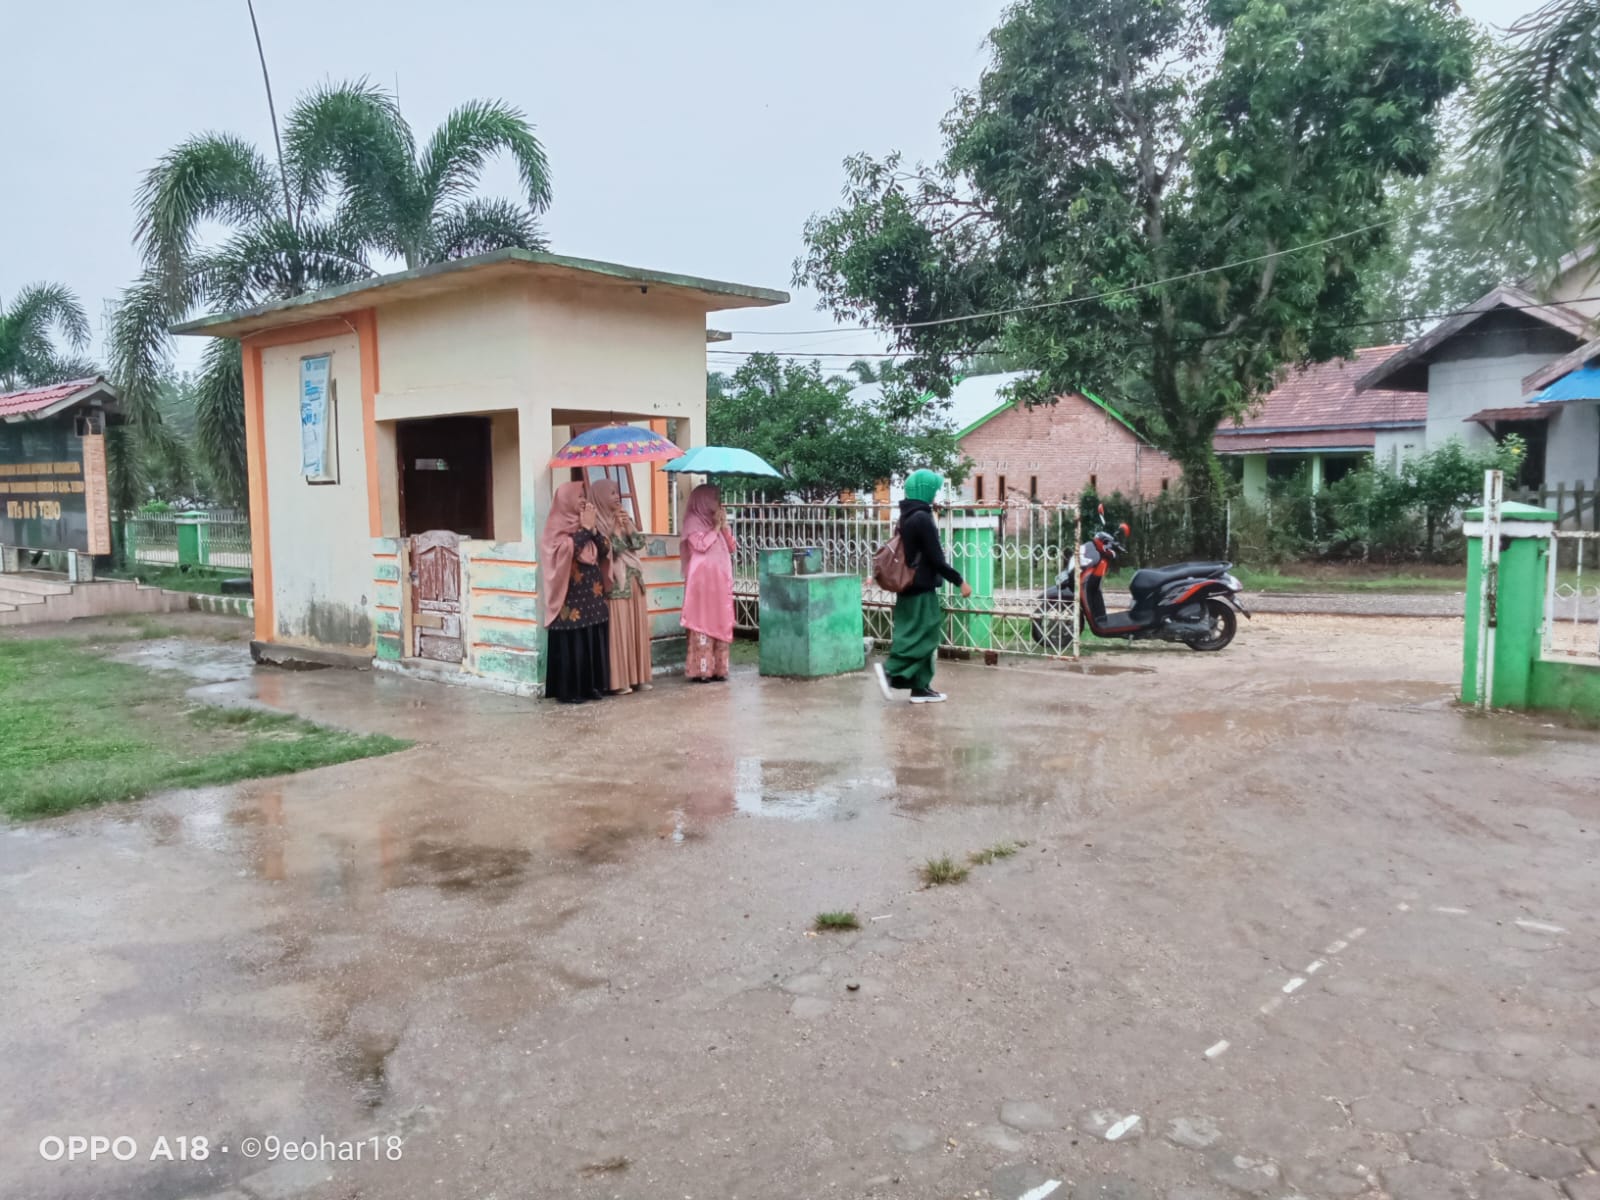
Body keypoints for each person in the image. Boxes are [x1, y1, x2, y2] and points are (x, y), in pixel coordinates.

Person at [873, 468, 971, 704]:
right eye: (934, 489)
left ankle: (920, 688)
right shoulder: (921, 518)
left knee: (918, 633)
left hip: (910, 586)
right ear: (925, 490)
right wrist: (959, 581)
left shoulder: (908, 515)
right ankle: (890, 670)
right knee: (923, 636)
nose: (936, 494)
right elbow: (936, 558)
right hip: (920, 588)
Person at [541, 480, 611, 704]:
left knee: (591, 639)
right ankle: (571, 690)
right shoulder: (555, 527)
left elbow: (604, 549)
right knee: (574, 642)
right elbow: (563, 551)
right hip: (569, 599)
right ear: (567, 500)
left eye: (584, 496)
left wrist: (591, 529)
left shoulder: (587, 523)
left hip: (592, 595)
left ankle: (592, 686)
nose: (583, 500)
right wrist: (584, 531)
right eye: (579, 496)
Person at [590, 477, 652, 694]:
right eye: (612, 493)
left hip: (634, 578)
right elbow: (610, 551)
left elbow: (638, 544)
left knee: (636, 629)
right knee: (620, 631)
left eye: (617, 492)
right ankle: (619, 681)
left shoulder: (624, 518)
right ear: (600, 496)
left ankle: (639, 677)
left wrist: (627, 525)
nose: (617, 497)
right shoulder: (595, 522)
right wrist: (615, 529)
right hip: (615, 582)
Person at [679, 483, 736, 682]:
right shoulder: (693, 521)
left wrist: (724, 526)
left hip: (718, 583)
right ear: (702, 499)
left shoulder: (714, 522)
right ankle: (702, 671)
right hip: (701, 583)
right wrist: (716, 528)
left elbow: (731, 547)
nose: (718, 502)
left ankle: (719, 669)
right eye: (714, 497)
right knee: (702, 621)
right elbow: (700, 545)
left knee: (719, 618)